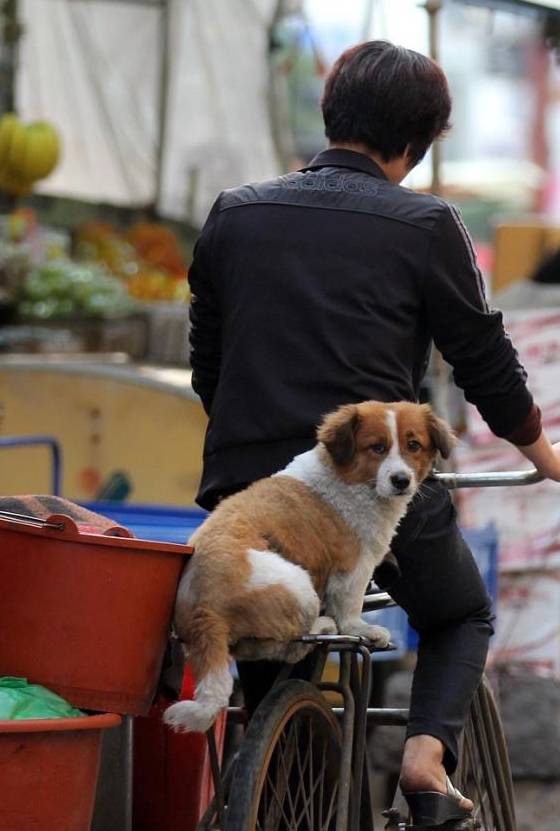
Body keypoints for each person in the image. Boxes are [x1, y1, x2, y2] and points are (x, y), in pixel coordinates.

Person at [187, 40, 560, 824]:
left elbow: (208, 367)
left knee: (272, 669)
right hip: (364, 487)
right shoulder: (427, 224)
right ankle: (425, 765)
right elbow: (484, 362)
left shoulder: (235, 212)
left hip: (251, 494)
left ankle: (275, 768)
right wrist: (544, 455)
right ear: (417, 143)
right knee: (460, 612)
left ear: (331, 114)